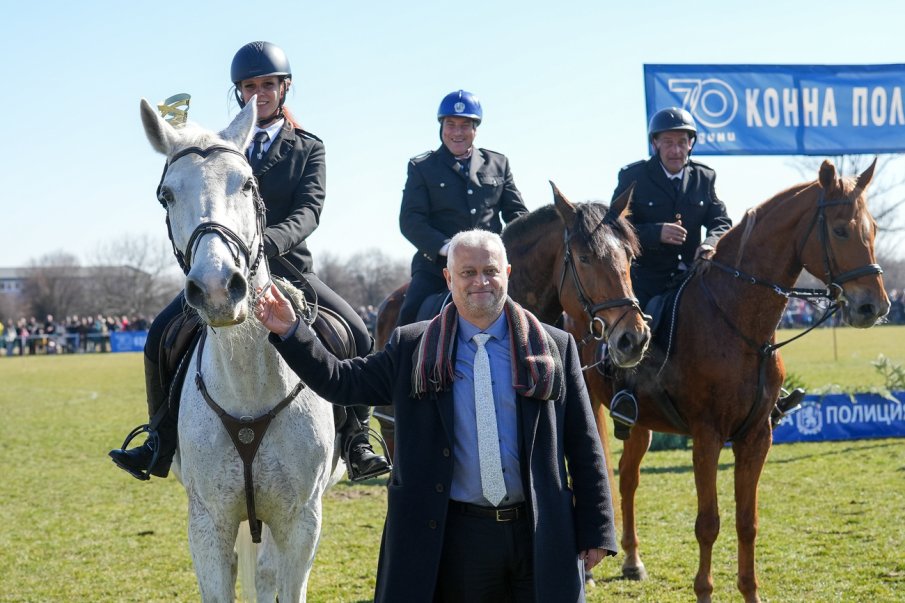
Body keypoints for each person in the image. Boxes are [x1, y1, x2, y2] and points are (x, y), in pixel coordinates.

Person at [257, 229, 617, 602]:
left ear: (508, 273)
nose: (481, 281)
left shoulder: (555, 346)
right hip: (457, 539)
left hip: (540, 534)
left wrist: (597, 528)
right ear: (449, 278)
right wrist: (292, 331)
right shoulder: (413, 346)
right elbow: (341, 382)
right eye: (468, 272)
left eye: (490, 271)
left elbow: (584, 444)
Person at [109, 40, 389, 482]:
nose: (259, 93)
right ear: (238, 92)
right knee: (160, 335)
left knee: (355, 331)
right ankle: (159, 439)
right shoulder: (217, 146)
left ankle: (355, 440)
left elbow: (309, 211)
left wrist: (268, 244)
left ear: (285, 87)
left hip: (288, 264)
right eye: (249, 86)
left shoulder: (308, 148)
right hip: (225, 267)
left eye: (268, 84)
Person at [609, 107, 800, 429]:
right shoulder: (634, 176)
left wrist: (710, 242)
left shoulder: (704, 177)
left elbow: (721, 220)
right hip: (648, 277)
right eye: (668, 142)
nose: (676, 149)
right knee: (639, 328)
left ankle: (766, 396)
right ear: (655, 144)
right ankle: (625, 396)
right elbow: (613, 226)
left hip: (693, 274)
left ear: (691, 145)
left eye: (682, 142)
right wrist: (655, 233)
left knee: (734, 316)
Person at [396, 89, 529, 327]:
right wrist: (449, 248)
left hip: (492, 267)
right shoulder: (422, 167)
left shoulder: (498, 164)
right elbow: (410, 220)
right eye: (451, 124)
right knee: (409, 316)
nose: (457, 132)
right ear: (441, 127)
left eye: (465, 125)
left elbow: (518, 216)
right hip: (437, 268)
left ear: (475, 129)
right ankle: (400, 364)